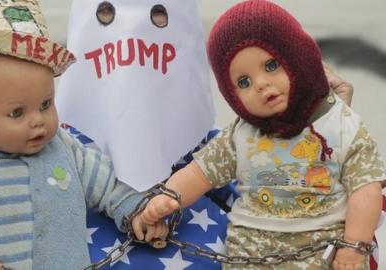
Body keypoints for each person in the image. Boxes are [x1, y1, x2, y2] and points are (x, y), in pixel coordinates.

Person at [0, 1, 166, 270]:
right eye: (17, 113)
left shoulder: (62, 146)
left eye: (46, 104)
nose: (38, 121)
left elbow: (106, 184)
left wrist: (137, 211)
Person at [138, 1, 386, 269]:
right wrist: (169, 197)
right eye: (243, 82)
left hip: (323, 257)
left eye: (271, 66)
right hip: (250, 258)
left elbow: (366, 189)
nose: (261, 84)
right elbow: (199, 173)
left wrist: (354, 247)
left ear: (298, 58)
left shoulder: (341, 125)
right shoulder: (241, 134)